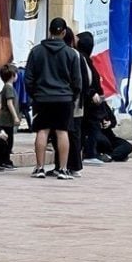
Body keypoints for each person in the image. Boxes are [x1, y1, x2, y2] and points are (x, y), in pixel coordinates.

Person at [24, 17, 82, 180]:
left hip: (42, 98)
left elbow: (28, 78)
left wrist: (34, 95)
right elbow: (77, 81)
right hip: (64, 98)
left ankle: (39, 167)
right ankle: (63, 169)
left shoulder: (36, 51)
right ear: (64, 33)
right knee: (62, 132)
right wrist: (72, 96)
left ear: (49, 31)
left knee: (42, 131)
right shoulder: (71, 54)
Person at [76, 31, 107, 168]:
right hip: (88, 101)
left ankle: (88, 152)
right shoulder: (82, 59)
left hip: (90, 101)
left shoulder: (85, 59)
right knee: (90, 127)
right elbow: (85, 80)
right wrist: (92, 93)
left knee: (90, 127)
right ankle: (88, 153)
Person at [62, 28, 91, 178]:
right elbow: (86, 79)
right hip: (74, 100)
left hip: (70, 100)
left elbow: (84, 79)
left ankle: (69, 165)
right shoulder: (75, 55)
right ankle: (70, 165)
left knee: (68, 133)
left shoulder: (74, 55)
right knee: (72, 134)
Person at [0, 64, 20, 169]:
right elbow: (9, 103)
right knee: (8, 141)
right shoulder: (8, 88)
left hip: (5, 119)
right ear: (13, 75)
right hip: (6, 119)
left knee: (7, 140)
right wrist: (15, 117)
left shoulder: (7, 87)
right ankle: (4, 160)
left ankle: (5, 159)